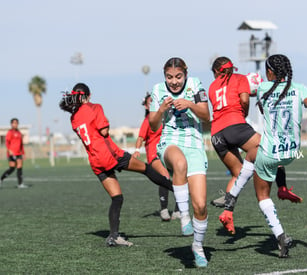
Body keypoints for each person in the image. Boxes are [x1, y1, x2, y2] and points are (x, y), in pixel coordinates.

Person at [59, 83, 173, 247]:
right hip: (110, 154)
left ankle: (113, 236)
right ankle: (178, 190)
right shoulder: (94, 107)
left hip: (95, 161)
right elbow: (104, 131)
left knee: (117, 198)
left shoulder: (73, 117)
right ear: (88, 95)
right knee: (147, 169)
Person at [208, 57, 303, 234]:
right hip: (236, 127)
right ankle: (282, 188)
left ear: (216, 72)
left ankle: (228, 211)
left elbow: (225, 98)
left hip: (216, 135)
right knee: (272, 149)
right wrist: (243, 111)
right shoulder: (239, 78)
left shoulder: (212, 86)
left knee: (238, 173)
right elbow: (243, 100)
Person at [254, 54, 307, 257]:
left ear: (270, 72)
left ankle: (279, 235)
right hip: (292, 151)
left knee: (262, 194)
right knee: (273, 163)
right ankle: (281, 187)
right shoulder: (300, 88)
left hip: (269, 151)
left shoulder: (263, 88)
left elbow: (260, 108)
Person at [148, 57, 210, 267]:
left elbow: (206, 116)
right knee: (179, 163)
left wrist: (190, 104)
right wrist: (160, 111)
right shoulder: (157, 90)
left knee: (201, 206)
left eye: (178, 77)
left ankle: (198, 246)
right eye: (169, 77)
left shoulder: (195, 85)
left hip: (194, 145)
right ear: (164, 76)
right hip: (170, 142)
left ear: (186, 73)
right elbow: (154, 125)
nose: (174, 82)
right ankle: (183, 217)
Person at [133, 92, 180, 221]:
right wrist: (137, 150)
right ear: (147, 107)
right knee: (165, 176)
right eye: (150, 103)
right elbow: (141, 137)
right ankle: (164, 209)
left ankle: (178, 210)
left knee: (180, 175)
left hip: (167, 151)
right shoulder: (148, 120)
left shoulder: (165, 117)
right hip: (154, 153)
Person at [1, 118, 28, 189]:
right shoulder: (10, 132)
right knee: (12, 168)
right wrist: (9, 150)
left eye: (16, 123)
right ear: (11, 124)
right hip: (12, 153)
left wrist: (23, 153)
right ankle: (1, 179)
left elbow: (21, 144)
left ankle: (20, 184)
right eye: (14, 123)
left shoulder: (19, 133)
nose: (15, 124)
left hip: (19, 153)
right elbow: (7, 142)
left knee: (19, 167)